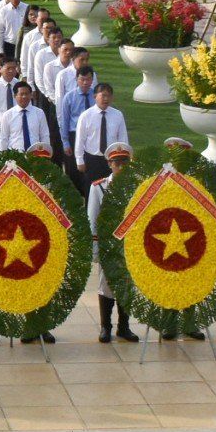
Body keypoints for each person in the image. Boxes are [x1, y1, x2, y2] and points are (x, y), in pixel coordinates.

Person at [88, 141, 137, 342]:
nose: (121, 167)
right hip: (109, 243)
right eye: (117, 163)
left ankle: (123, 327)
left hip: (129, 244)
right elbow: (93, 218)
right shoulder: (98, 187)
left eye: (124, 162)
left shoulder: (136, 185)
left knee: (127, 284)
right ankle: (105, 326)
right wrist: (96, 249)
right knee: (106, 284)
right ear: (109, 164)